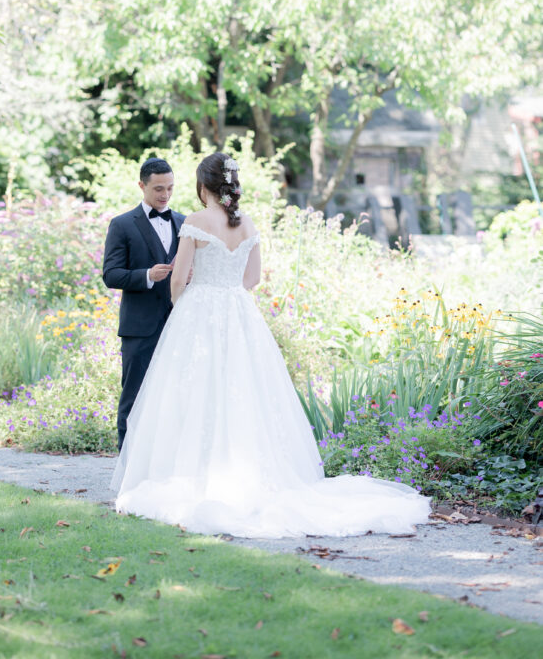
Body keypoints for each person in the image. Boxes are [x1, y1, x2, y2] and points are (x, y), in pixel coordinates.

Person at [111, 152, 432, 538]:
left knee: (194, 393)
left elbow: (178, 282)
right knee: (244, 394)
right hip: (240, 315)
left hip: (200, 312)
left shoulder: (195, 222)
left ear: (202, 187)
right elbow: (253, 279)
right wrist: (227, 294)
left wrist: (189, 306)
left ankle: (193, 472)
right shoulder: (247, 224)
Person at [103, 157, 185, 450]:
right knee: (134, 398)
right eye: (158, 189)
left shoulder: (184, 223)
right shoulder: (122, 224)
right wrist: (147, 276)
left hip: (181, 324)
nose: (165, 195)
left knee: (178, 397)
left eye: (170, 188)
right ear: (142, 186)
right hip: (139, 328)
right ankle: (126, 466)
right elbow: (111, 275)